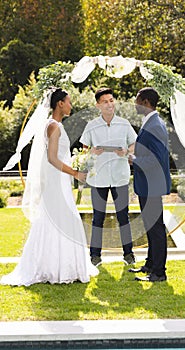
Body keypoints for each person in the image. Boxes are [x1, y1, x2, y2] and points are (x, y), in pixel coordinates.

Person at [0, 88, 99, 286]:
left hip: (58, 181)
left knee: (59, 220)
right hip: (56, 181)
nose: (71, 105)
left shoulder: (52, 125)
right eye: (68, 101)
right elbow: (52, 159)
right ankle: (56, 268)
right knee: (61, 220)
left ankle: (59, 266)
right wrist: (76, 172)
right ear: (60, 104)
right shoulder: (54, 127)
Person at [80, 87, 137, 266]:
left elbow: (134, 144)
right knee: (98, 217)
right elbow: (84, 150)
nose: (109, 104)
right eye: (105, 101)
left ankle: (128, 254)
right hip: (98, 178)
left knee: (123, 217)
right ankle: (94, 256)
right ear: (98, 105)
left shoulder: (124, 123)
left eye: (111, 100)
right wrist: (93, 152)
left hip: (120, 176)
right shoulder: (91, 126)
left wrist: (127, 152)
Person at [128, 87, 171, 282]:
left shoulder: (154, 125)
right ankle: (150, 265)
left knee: (156, 228)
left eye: (137, 100)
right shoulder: (151, 122)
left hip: (152, 185)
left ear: (145, 102)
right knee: (150, 226)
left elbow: (156, 160)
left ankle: (159, 272)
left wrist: (133, 160)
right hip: (148, 185)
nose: (135, 104)